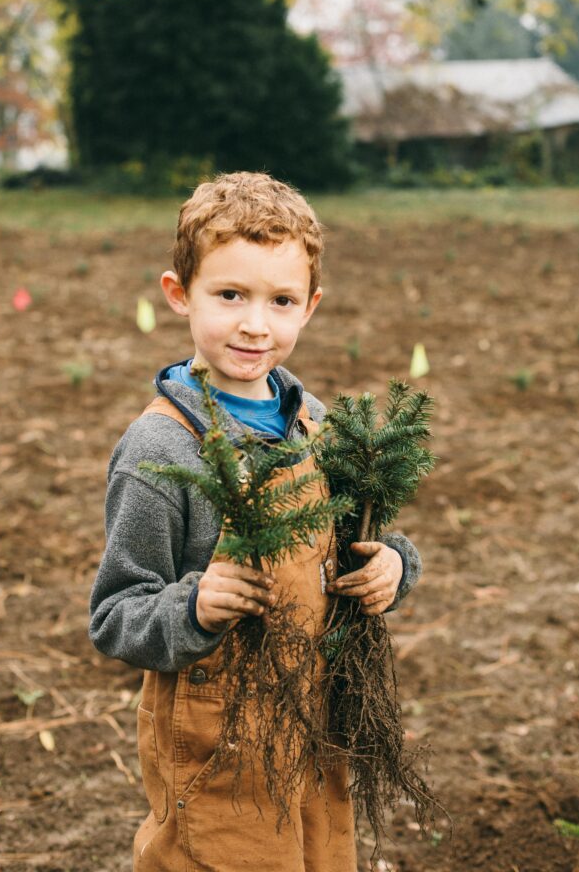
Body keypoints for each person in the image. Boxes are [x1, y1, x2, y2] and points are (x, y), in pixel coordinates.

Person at [89, 172, 423, 872]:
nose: (254, 324)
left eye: (280, 301)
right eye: (229, 295)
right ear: (179, 294)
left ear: (310, 308)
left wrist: (393, 564)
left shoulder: (316, 423)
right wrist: (194, 605)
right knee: (220, 855)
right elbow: (116, 613)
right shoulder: (159, 449)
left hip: (315, 712)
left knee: (315, 851)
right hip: (217, 733)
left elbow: (357, 536)